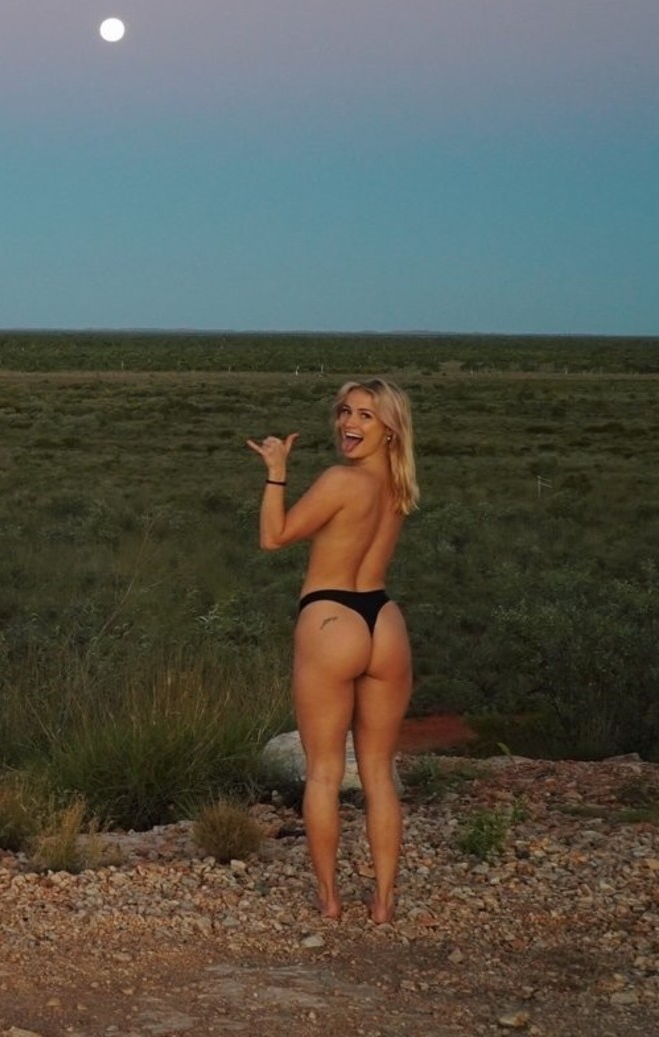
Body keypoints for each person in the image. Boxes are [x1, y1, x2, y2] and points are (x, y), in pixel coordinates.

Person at [247, 378, 419, 924]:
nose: (349, 422)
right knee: (378, 772)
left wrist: (276, 471)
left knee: (323, 772)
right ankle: (384, 903)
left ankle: (329, 901)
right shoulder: (398, 485)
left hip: (331, 617)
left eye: (366, 415)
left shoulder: (341, 480)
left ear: (389, 428)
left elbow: (274, 537)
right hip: (384, 621)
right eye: (345, 411)